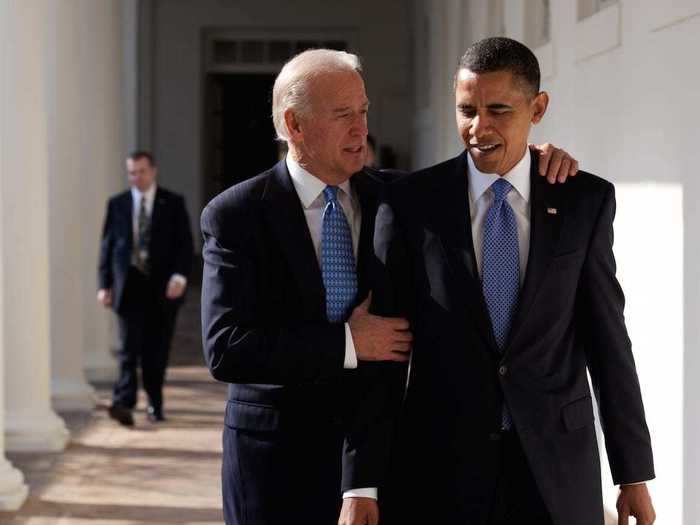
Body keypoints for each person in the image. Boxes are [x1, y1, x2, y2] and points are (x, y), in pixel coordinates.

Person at [200, 48, 577, 525]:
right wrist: (349, 343)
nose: (361, 129)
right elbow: (226, 348)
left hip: (382, 462)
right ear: (294, 125)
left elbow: (486, 166)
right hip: (275, 464)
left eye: (363, 112)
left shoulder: (400, 198)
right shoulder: (235, 215)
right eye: (343, 116)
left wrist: (535, 158)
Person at [376, 37, 655, 525]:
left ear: (538, 107)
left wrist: (632, 474)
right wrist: (363, 480)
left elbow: (607, 341)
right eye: (467, 110)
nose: (478, 128)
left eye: (499, 110)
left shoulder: (582, 202)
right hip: (441, 468)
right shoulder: (411, 201)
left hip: (555, 468)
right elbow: (386, 356)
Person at [98, 151, 194, 426]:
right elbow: (107, 248)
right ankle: (124, 402)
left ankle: (155, 402)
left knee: (156, 349)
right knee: (128, 348)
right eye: (131, 172)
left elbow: (184, 246)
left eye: (141, 171)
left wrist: (179, 277)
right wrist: (104, 284)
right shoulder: (117, 205)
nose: (136, 177)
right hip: (128, 286)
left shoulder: (173, 203)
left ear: (153, 172)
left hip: (162, 288)